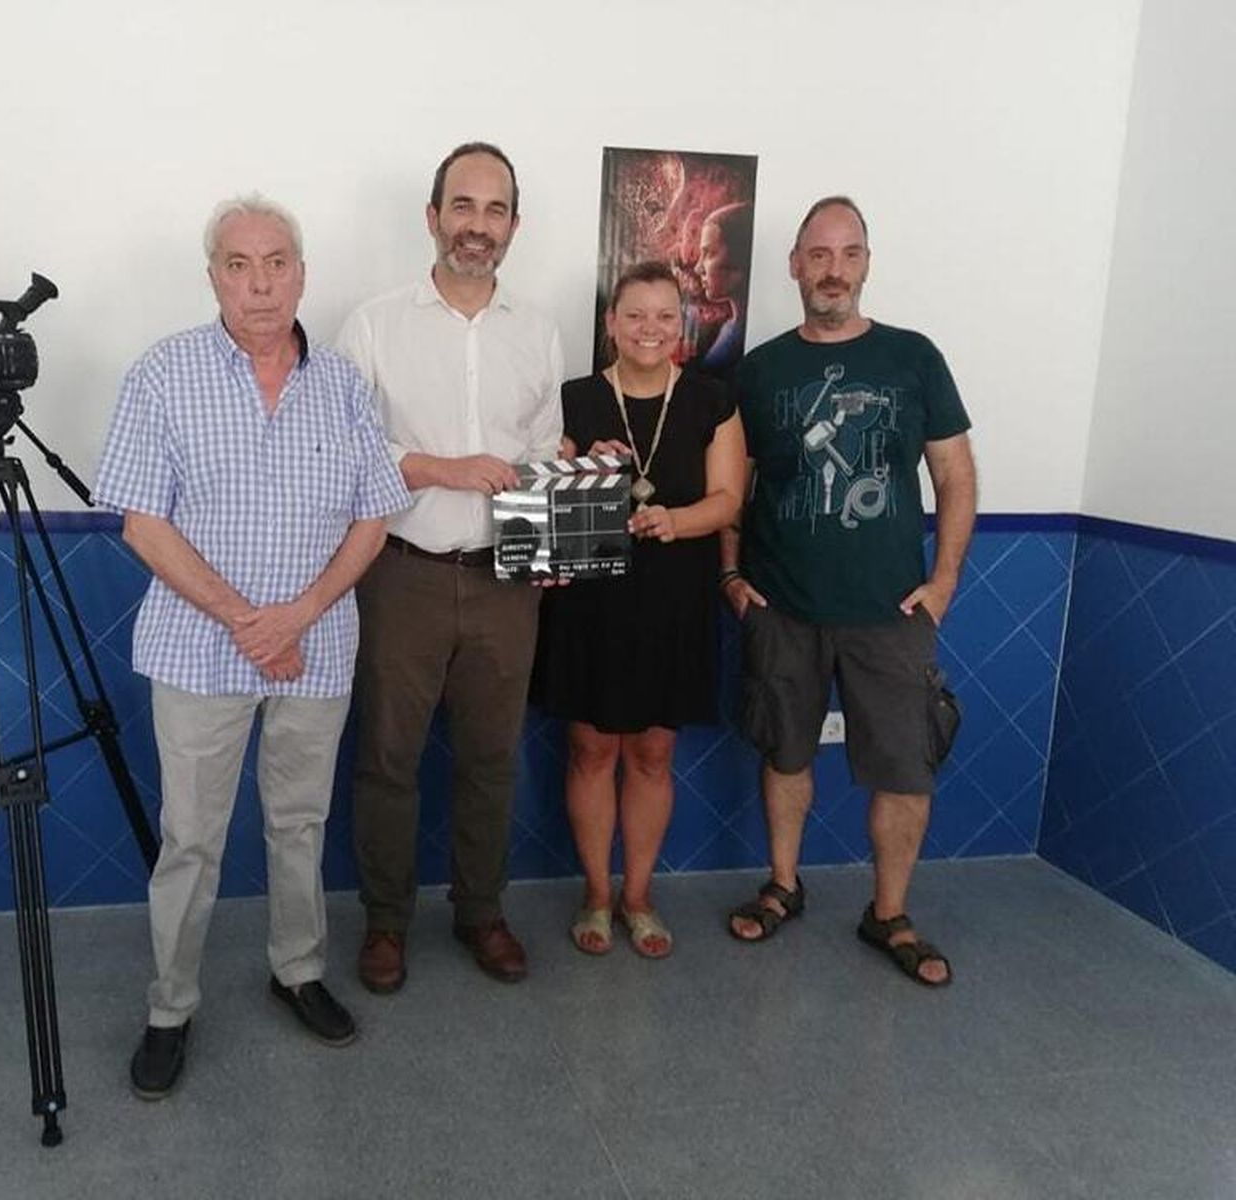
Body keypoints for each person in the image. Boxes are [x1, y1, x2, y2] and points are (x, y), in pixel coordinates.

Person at [94, 195, 410, 1099]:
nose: (260, 282)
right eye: (238, 264)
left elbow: (373, 517)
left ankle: (297, 969)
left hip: (315, 645)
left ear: (302, 273)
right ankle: (169, 1006)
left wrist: (298, 612)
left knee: (298, 822)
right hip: (201, 650)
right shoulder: (163, 373)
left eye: (277, 262)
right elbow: (142, 523)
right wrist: (246, 618)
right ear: (213, 278)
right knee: (191, 836)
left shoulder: (345, 383)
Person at [721, 196, 977, 986]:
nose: (834, 270)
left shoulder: (914, 357)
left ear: (867, 262)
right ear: (795, 265)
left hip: (891, 612)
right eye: (819, 255)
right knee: (786, 754)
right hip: (782, 604)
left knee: (905, 769)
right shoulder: (759, 369)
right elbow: (734, 484)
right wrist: (732, 574)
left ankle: (888, 913)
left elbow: (955, 474)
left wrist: (944, 581)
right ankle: (784, 886)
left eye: (850, 253)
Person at [337, 142, 563, 991]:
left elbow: (543, 451)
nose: (477, 226)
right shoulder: (374, 323)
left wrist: (554, 536)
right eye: (462, 207)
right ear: (432, 217)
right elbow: (347, 449)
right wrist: (441, 467)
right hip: (402, 574)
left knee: (492, 760)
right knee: (388, 759)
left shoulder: (537, 331)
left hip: (508, 582)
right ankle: (386, 925)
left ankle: (481, 913)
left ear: (513, 226)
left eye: (495, 210)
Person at [533, 261, 746, 957]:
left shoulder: (713, 399)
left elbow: (728, 501)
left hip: (676, 599)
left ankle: (639, 896)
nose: (649, 329)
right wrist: (583, 469)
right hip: (592, 601)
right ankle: (597, 894)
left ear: (682, 325)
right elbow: (546, 513)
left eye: (664, 316)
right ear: (611, 324)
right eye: (635, 315)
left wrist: (674, 523)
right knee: (592, 747)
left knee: (654, 752)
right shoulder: (575, 398)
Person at [696, 201, 752, 371]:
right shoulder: (729, 329)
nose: (698, 268)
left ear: (740, 255)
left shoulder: (741, 338)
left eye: (710, 253)